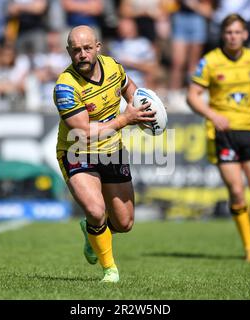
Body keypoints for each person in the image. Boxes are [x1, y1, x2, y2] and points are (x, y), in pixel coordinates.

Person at [53, 25, 155, 282]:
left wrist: (141, 108)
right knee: (97, 211)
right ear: (69, 52)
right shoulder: (64, 87)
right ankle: (110, 270)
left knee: (124, 223)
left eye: (87, 48)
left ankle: (92, 233)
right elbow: (83, 131)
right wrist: (126, 118)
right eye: (76, 50)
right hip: (77, 151)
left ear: (98, 47)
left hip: (111, 150)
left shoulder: (112, 66)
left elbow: (129, 87)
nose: (83, 55)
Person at [186, 14, 250, 262]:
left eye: (237, 32)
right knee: (236, 191)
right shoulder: (210, 61)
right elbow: (192, 95)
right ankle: (249, 248)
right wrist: (212, 114)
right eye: (229, 32)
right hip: (222, 134)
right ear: (223, 35)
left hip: (249, 131)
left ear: (245, 34)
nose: (233, 36)